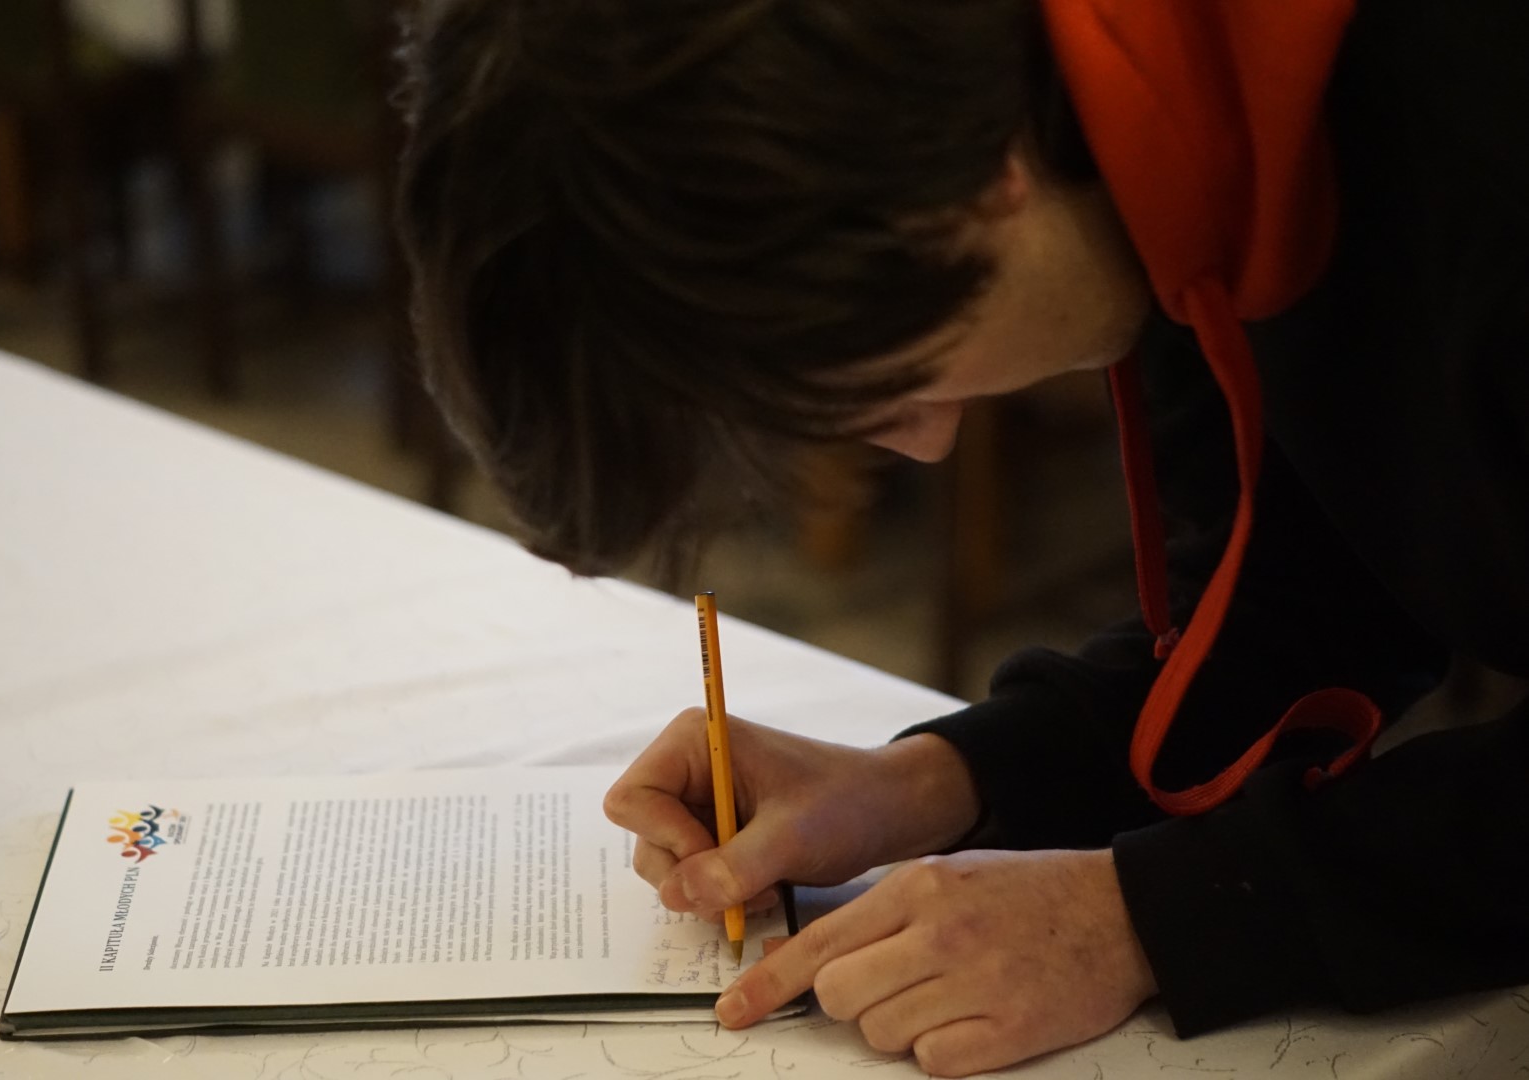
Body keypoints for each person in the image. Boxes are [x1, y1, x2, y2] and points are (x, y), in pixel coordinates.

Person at [394, 0, 1529, 1074]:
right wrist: (932, 783)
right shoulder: (1157, 132)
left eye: (887, 385)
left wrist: (1147, 918)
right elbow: (1308, 603)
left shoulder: (1474, 116)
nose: (926, 442)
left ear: (977, 185)